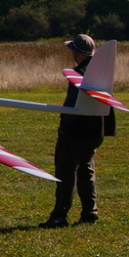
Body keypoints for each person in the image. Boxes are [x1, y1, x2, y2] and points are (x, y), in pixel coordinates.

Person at [39, 34, 115, 229]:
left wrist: (65, 127)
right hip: (95, 131)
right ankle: (90, 213)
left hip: (75, 132)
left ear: (77, 52)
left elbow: (73, 106)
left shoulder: (81, 74)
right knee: (85, 169)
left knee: (66, 172)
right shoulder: (97, 70)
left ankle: (59, 216)